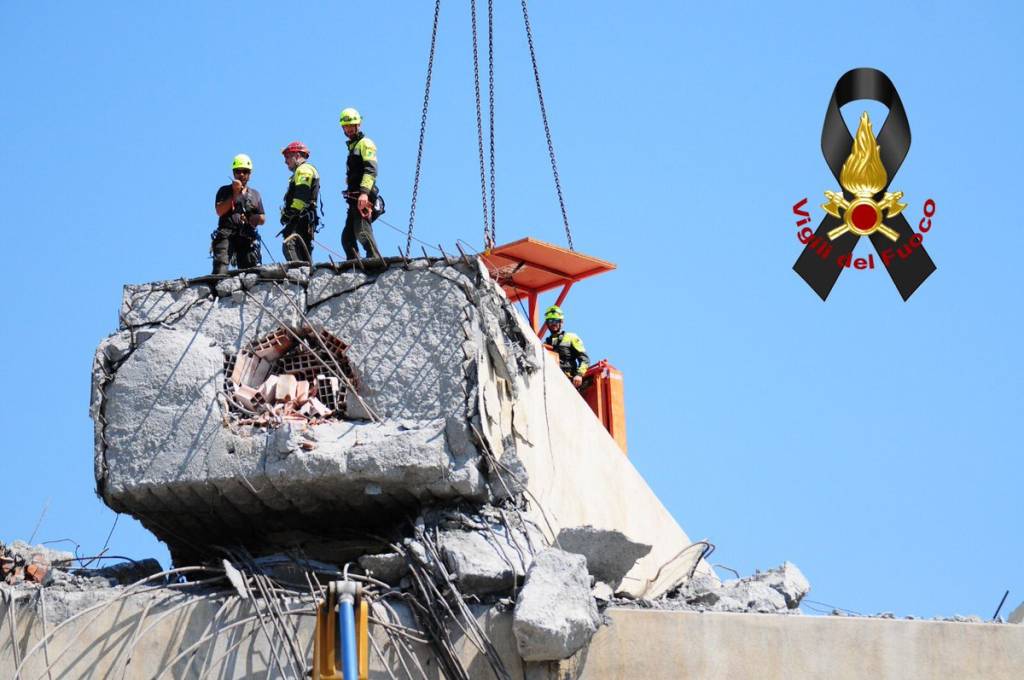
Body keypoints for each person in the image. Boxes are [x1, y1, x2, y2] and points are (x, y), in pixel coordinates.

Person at [339, 107, 382, 260]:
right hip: (354, 199)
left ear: (358, 125)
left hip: (363, 197)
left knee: (362, 231)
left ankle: (375, 260)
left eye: (351, 126)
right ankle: (355, 267)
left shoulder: (365, 143)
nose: (349, 129)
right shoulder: (353, 147)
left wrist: (364, 193)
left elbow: (370, 170)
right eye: (346, 127)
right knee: (347, 238)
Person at [211, 154, 265, 275]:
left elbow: (262, 218)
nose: (241, 174)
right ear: (233, 173)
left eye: (245, 172)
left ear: (249, 174)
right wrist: (235, 194)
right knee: (220, 268)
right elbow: (219, 211)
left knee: (250, 272)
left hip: (246, 236)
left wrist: (251, 217)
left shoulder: (255, 194)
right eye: (238, 171)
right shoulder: (224, 190)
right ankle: (217, 291)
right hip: (226, 234)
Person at [279, 141, 320, 263]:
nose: (285, 161)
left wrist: (289, 214)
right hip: (304, 218)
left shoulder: (304, 170)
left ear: (297, 155)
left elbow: (301, 195)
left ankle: (298, 276)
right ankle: (307, 275)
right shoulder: (302, 171)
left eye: (287, 157)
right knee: (302, 248)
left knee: (289, 244)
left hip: (301, 218)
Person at [543, 305, 590, 388]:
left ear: (561, 322)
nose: (553, 324)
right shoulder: (546, 343)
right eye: (550, 321)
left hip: (569, 381)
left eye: (556, 321)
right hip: (551, 381)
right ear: (547, 323)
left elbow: (585, 360)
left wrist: (579, 375)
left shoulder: (571, 337)